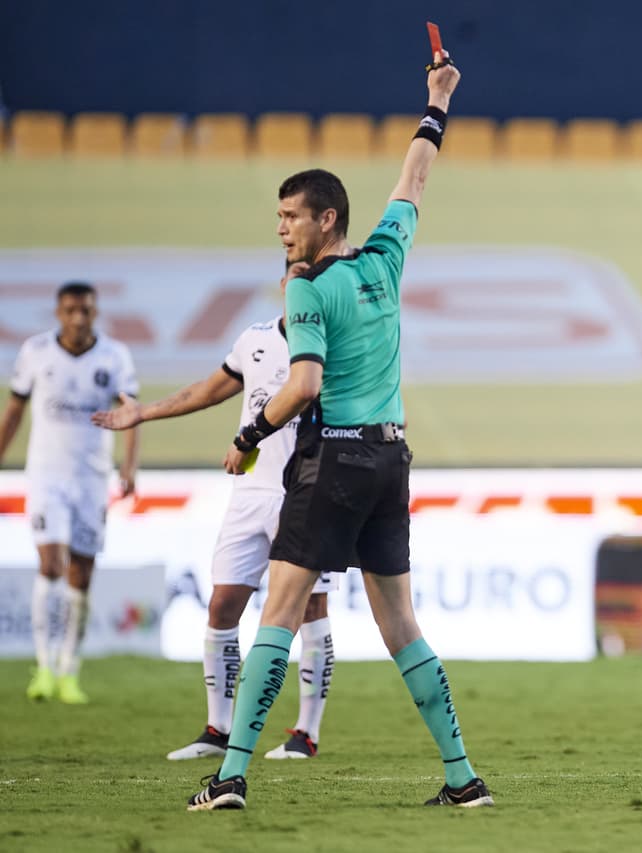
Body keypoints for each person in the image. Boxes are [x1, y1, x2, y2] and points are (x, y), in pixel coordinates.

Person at [187, 47, 490, 811]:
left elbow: (305, 383)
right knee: (401, 626)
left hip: (338, 462)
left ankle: (229, 776)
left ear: (327, 219)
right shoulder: (385, 259)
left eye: (292, 217)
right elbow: (415, 176)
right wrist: (438, 102)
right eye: (279, 218)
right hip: (392, 460)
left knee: (278, 611)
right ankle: (463, 778)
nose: (282, 230)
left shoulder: (309, 291)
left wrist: (251, 433)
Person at [93, 268, 338, 761]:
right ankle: (217, 729)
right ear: (284, 287)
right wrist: (144, 412)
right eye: (291, 281)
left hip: (308, 493)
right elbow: (209, 390)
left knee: (311, 608)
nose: (298, 290)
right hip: (249, 494)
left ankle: (305, 734)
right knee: (223, 605)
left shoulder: (338, 343)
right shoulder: (255, 339)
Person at [0, 281, 139, 704]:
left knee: (82, 573)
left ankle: (68, 671)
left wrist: (129, 467)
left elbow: (132, 413)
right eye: (71, 311)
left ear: (95, 313)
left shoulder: (114, 356)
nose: (79, 318)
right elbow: (15, 409)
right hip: (45, 477)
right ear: (58, 313)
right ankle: (43, 667)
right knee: (52, 563)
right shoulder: (35, 352)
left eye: (86, 311)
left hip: (92, 479)